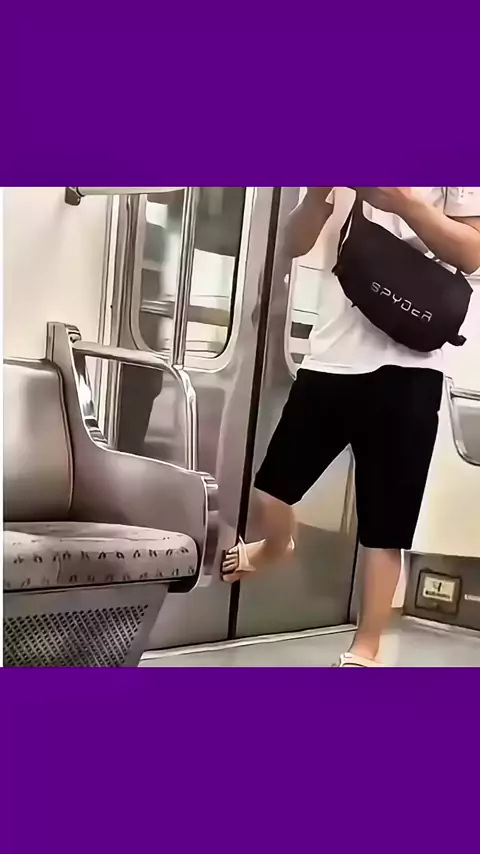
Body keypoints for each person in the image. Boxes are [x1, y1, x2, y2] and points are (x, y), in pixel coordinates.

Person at [221, 187, 480, 667]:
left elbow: (472, 251)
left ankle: (365, 650)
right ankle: (277, 544)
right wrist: (318, 191)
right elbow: (294, 242)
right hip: (330, 361)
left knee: (385, 527)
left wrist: (404, 203)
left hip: (412, 370)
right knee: (273, 491)